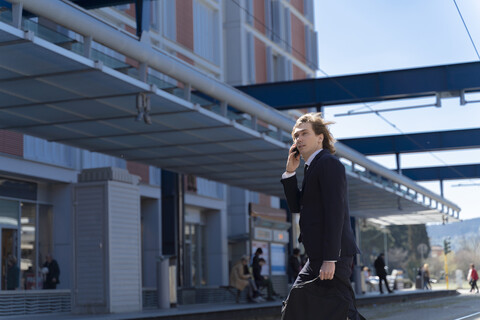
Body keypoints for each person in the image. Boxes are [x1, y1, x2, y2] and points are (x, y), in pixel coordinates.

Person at [281, 112, 363, 319]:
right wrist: (290, 173)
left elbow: (336, 213)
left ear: (320, 137)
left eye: (304, 134)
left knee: (332, 309)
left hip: (332, 255)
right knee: (315, 309)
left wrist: (330, 258)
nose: (298, 139)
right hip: (319, 255)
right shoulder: (312, 167)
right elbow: (297, 206)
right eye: (295, 136)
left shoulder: (328, 163)